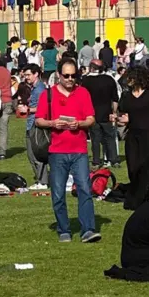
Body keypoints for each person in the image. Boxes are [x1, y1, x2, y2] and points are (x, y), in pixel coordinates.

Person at [35, 57, 100, 243]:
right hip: (57, 150)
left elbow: (91, 118)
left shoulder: (83, 93)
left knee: (85, 190)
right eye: (66, 76)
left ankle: (88, 229)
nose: (70, 79)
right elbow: (39, 120)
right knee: (57, 192)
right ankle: (64, 229)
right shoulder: (48, 95)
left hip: (79, 149)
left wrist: (79, 124)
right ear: (58, 75)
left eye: (73, 75)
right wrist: (52, 123)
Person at [116, 65, 149, 210]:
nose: (128, 80)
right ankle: (135, 196)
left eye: (131, 77)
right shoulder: (126, 96)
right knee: (133, 167)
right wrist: (118, 119)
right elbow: (124, 115)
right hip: (133, 135)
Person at [82, 60, 119, 168]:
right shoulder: (109, 79)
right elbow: (115, 98)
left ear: (92, 68)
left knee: (95, 139)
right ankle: (114, 159)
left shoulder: (86, 81)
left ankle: (96, 161)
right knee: (110, 138)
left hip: (92, 114)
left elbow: (83, 99)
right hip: (107, 113)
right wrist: (114, 112)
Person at [18, 64, 48, 188]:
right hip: (31, 123)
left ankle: (43, 181)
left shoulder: (40, 89)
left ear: (36, 74)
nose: (26, 78)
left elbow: (44, 108)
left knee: (36, 154)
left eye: (29, 75)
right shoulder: (34, 88)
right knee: (31, 155)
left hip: (37, 125)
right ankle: (41, 180)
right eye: (25, 75)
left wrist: (28, 109)